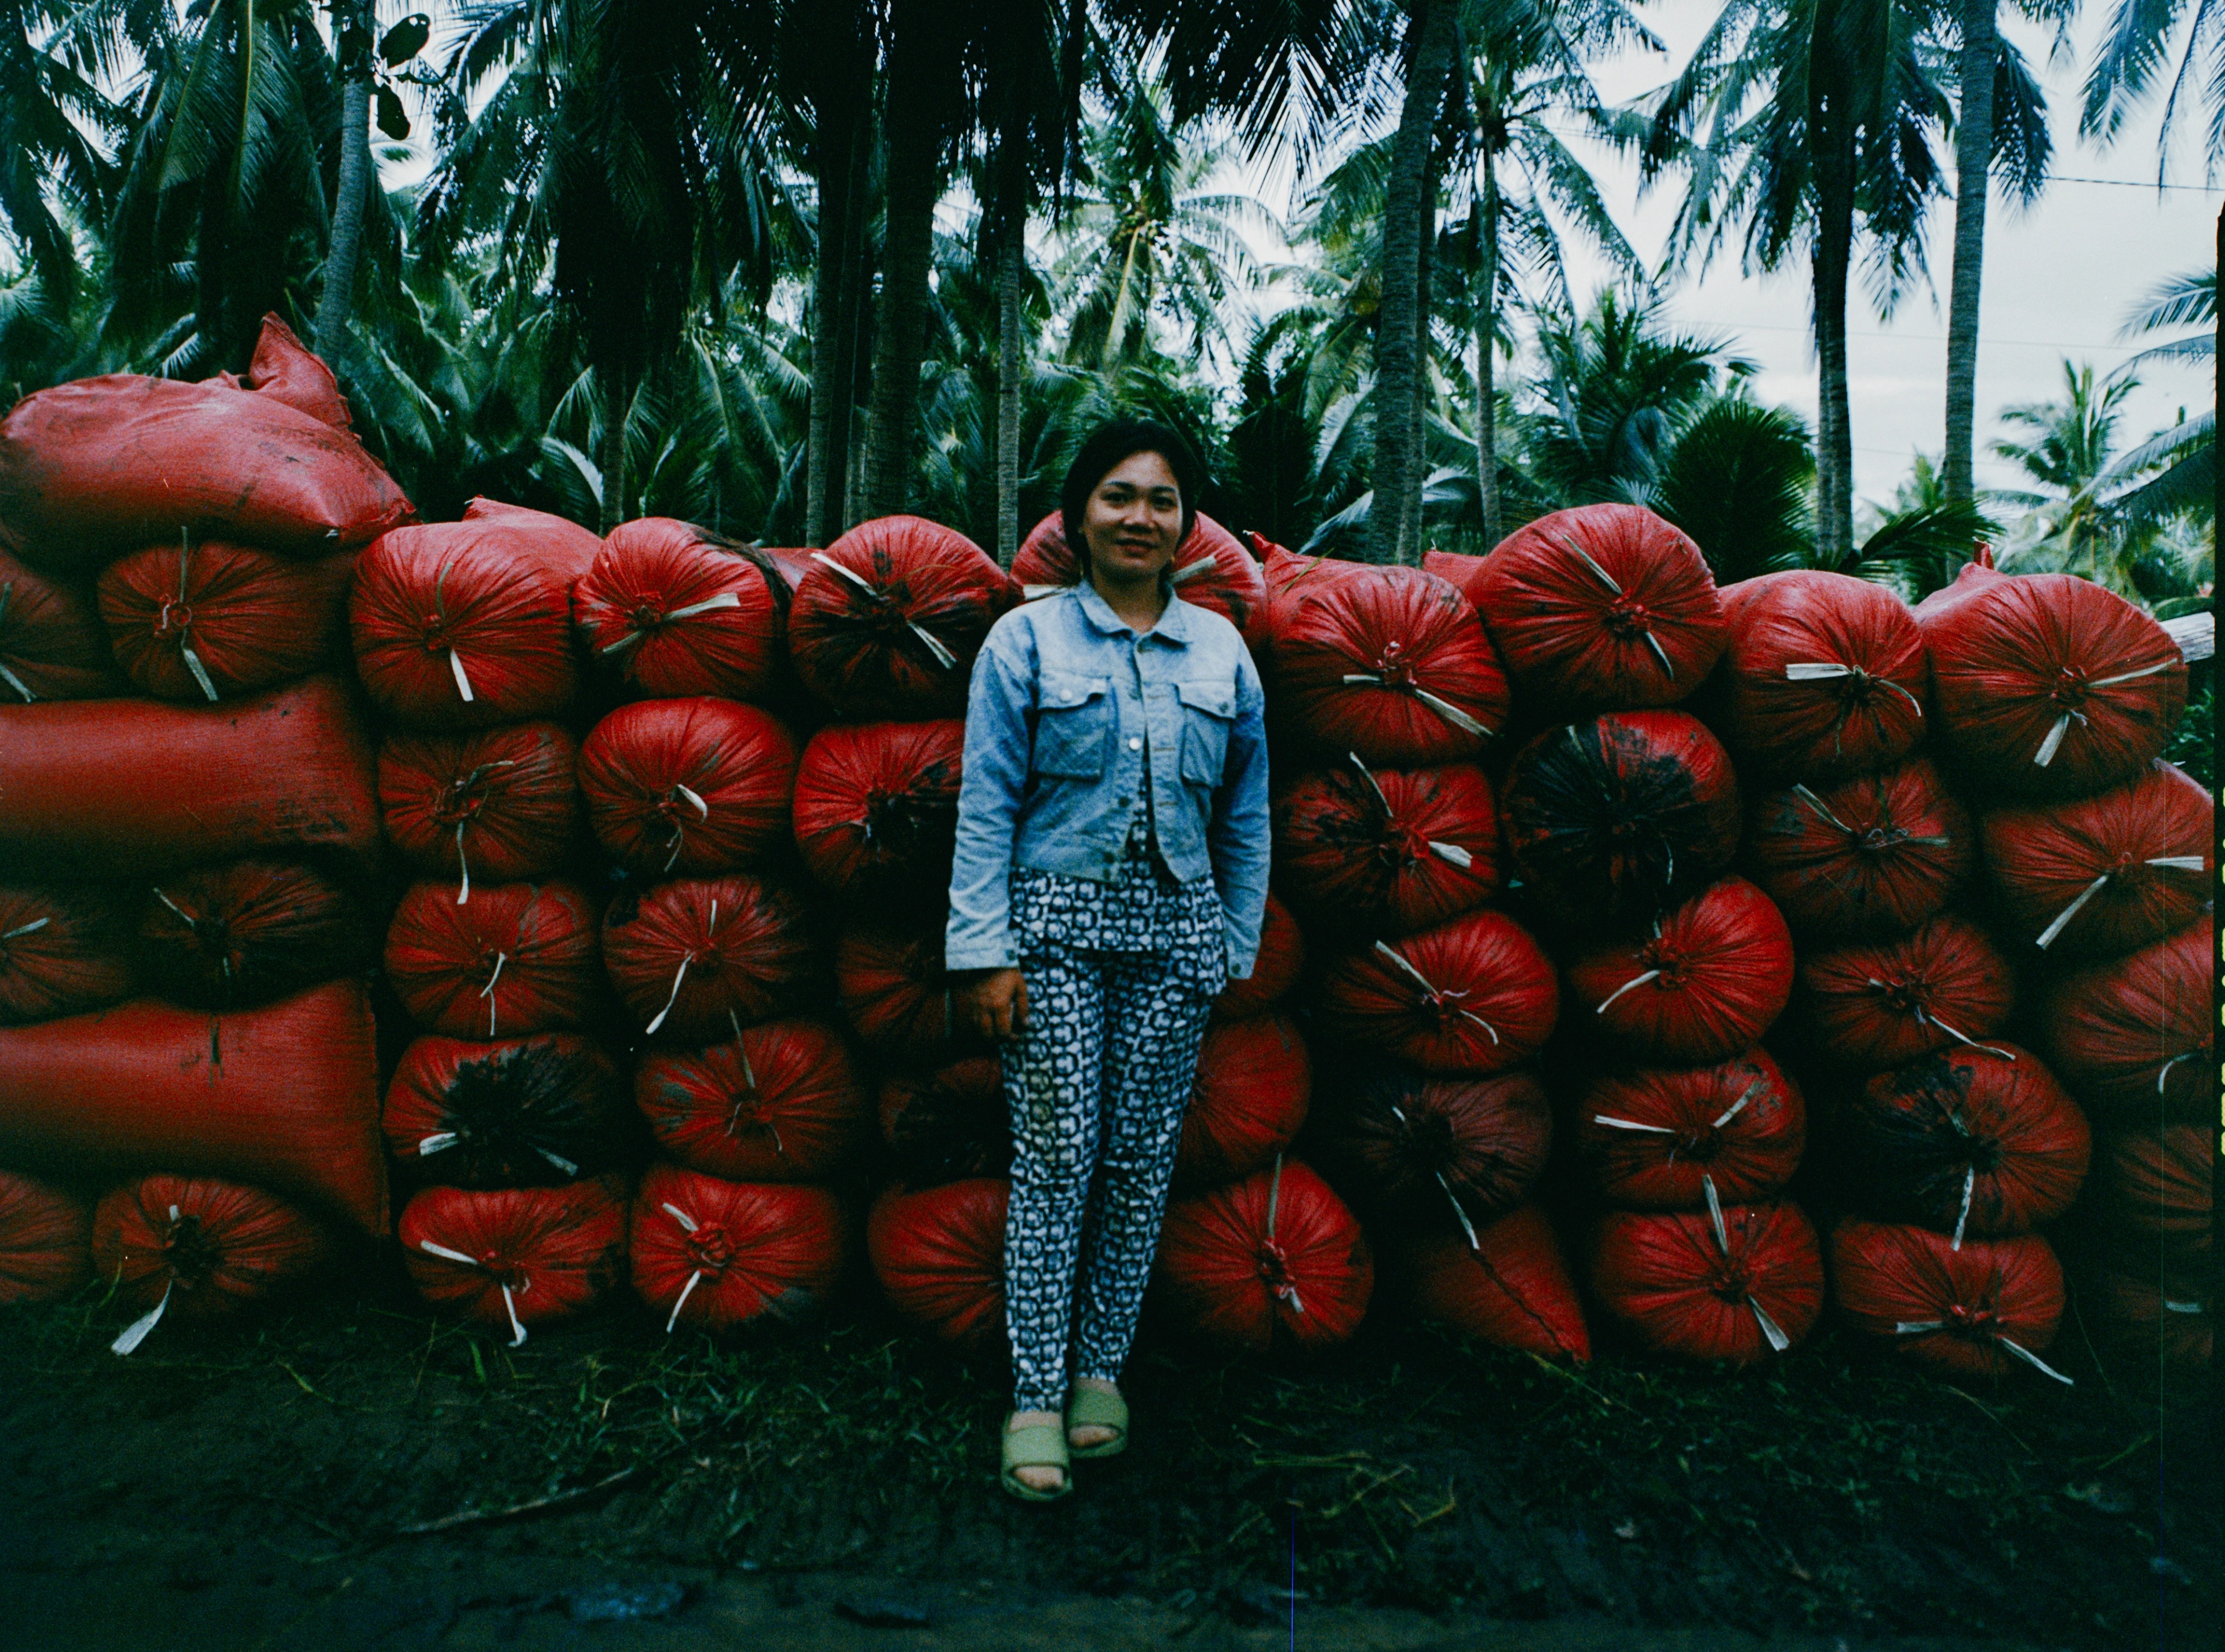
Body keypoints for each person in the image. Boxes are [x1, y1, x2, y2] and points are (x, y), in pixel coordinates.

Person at [944, 420, 1270, 1501]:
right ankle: (1034, 1394)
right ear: (1077, 515)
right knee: (1058, 1154)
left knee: (1137, 1160)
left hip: (1176, 938)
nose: (1141, 517)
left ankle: (1100, 1375)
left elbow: (1246, 814)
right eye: (1118, 496)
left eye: (1163, 501)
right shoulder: (1025, 645)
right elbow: (986, 802)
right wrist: (983, 953)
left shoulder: (1222, 652)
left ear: (1188, 525)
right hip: (1053, 933)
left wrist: (1232, 940)